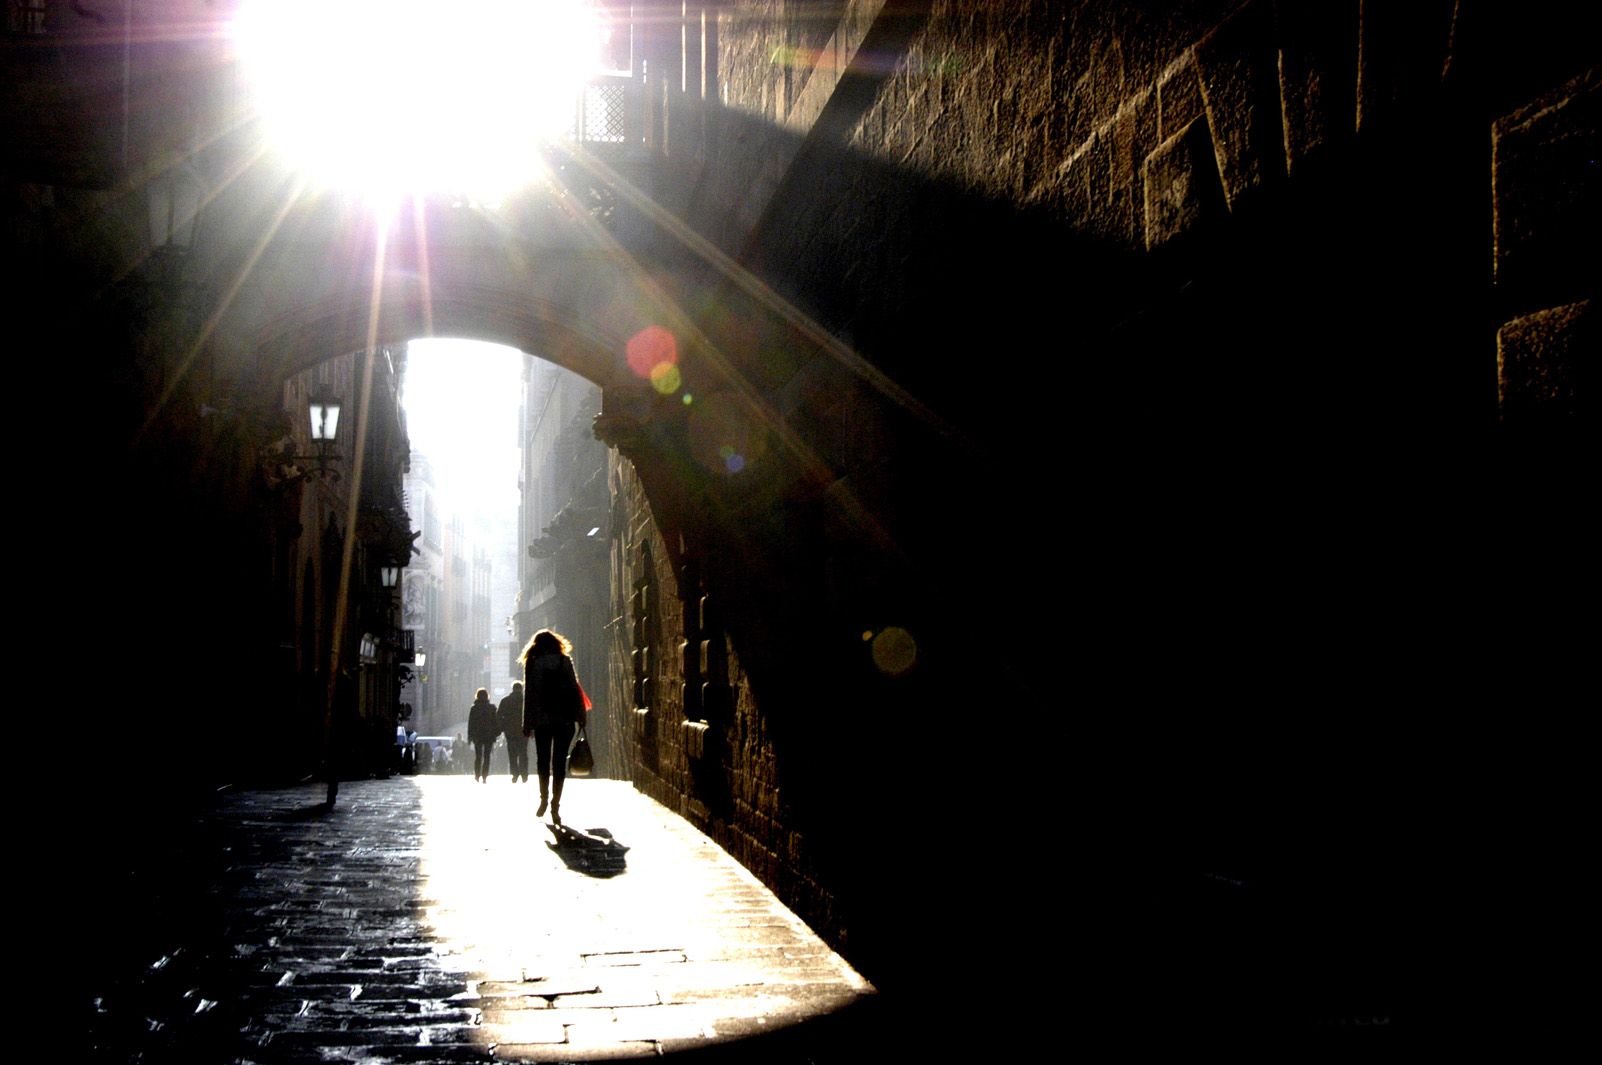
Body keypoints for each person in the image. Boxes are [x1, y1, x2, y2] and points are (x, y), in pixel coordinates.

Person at [520, 628, 589, 824]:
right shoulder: (564, 661)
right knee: (559, 763)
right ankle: (555, 806)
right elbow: (575, 689)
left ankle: (543, 799)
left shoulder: (532, 663)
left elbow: (530, 695)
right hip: (565, 719)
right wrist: (580, 715)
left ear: (536, 646)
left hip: (542, 720)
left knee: (543, 761)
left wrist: (527, 723)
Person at [497, 682, 528, 782]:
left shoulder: (505, 701)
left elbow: (499, 715)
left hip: (510, 731)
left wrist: (502, 727)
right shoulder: (526, 701)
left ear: (513, 689)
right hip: (523, 731)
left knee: (512, 753)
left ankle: (515, 773)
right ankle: (524, 773)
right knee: (523, 752)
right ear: (521, 689)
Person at [467, 688, 498, 783]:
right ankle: (484, 775)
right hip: (489, 735)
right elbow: (495, 722)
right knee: (487, 756)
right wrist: (495, 734)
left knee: (478, 755)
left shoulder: (474, 708)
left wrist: (470, 736)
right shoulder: (492, 708)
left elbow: (471, 723)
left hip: (477, 735)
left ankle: (477, 774)